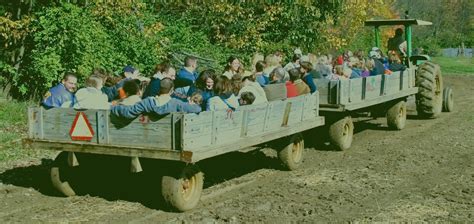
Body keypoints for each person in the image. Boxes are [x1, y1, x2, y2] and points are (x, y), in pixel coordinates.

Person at [111, 78, 201, 119]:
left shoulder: (148, 102)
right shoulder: (176, 103)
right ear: (171, 91)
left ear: (159, 88)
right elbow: (197, 108)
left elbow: (128, 112)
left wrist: (114, 107)